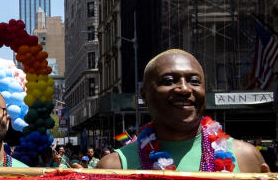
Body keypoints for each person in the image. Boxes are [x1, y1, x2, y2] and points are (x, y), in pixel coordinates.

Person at [98, 49, 268, 172]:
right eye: (169, 81)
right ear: (145, 95)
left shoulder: (246, 158)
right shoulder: (114, 168)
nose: (185, 89)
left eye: (194, 81)